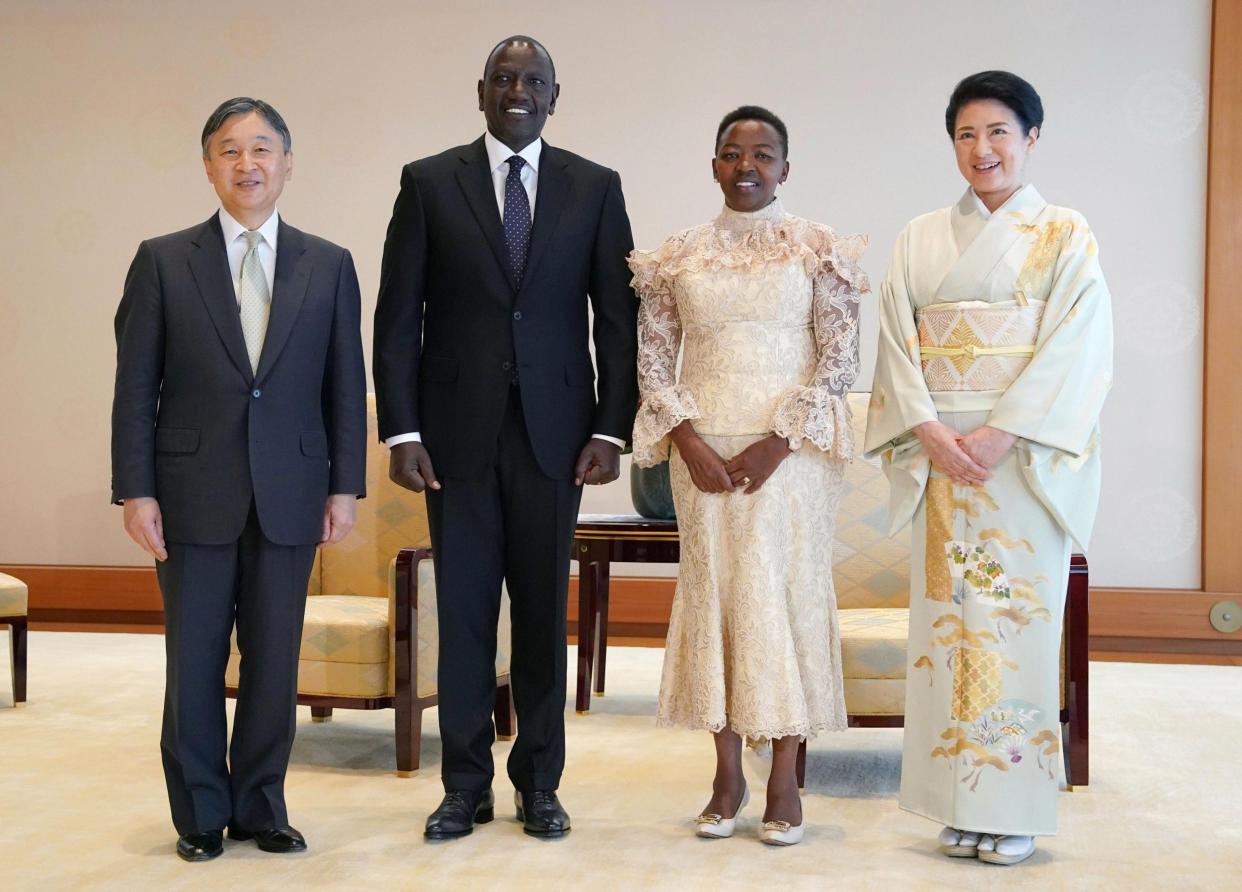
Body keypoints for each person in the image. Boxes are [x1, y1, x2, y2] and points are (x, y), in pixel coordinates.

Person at [373, 36, 638, 840]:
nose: (517, 90)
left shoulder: (594, 187)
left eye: (533, 81)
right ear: (480, 91)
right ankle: (464, 783)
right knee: (463, 613)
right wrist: (404, 431)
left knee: (539, 615)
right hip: (452, 441)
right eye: (503, 78)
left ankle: (540, 782)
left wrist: (609, 428)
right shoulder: (428, 183)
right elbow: (396, 317)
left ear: (556, 96)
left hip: (557, 440)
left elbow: (616, 321)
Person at [864, 71, 1112, 866]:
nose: (983, 149)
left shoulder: (1066, 233)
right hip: (944, 461)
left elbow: (1078, 347)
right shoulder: (919, 236)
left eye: (999, 131)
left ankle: (1013, 804)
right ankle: (957, 801)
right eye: (967, 135)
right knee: (948, 625)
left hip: (1018, 468)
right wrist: (929, 431)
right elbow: (899, 344)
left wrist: (1003, 434)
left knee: (1013, 627)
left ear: (1031, 137)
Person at [110, 97, 367, 862]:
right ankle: (198, 814)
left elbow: (344, 386)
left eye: (261, 149)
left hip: (291, 491)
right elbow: (135, 386)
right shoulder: (162, 259)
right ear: (208, 165)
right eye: (229, 150)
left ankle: (262, 804)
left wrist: (345, 486)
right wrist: (136, 489)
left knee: (272, 656)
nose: (246, 164)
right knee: (193, 658)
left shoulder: (328, 263)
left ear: (287, 162)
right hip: (189, 493)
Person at [628, 106, 867, 846]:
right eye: (733, 153)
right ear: (714, 165)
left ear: (786, 170)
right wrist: (689, 441)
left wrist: (778, 443)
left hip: (787, 461)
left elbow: (838, 361)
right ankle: (727, 773)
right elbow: (654, 357)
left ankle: (786, 774)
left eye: (764, 155)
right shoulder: (678, 256)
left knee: (785, 594)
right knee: (718, 599)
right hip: (702, 458)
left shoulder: (819, 248)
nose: (748, 166)